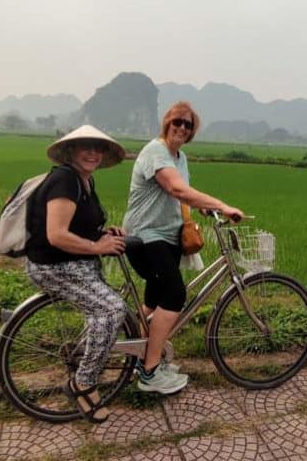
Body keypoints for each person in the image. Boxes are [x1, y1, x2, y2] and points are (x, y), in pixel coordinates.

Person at [123, 101, 244, 394]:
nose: (181, 128)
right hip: (146, 238)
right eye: (177, 121)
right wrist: (221, 205)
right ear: (167, 122)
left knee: (152, 303)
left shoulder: (180, 158)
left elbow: (181, 195)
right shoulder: (156, 151)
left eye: (188, 125)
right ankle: (150, 373)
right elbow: (176, 188)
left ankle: (141, 356)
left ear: (192, 131)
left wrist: (203, 209)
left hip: (167, 240)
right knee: (175, 296)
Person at [24, 125, 127, 423]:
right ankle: (82, 383)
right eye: (86, 147)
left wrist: (105, 234)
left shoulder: (85, 181)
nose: (93, 153)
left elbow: (77, 226)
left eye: (99, 148)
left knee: (106, 308)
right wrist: (98, 246)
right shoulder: (65, 180)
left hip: (75, 264)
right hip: (54, 266)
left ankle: (90, 359)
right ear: (70, 151)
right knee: (111, 309)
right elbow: (56, 235)